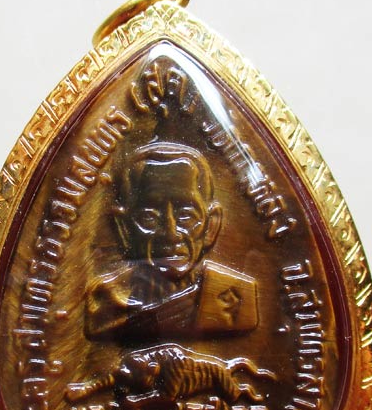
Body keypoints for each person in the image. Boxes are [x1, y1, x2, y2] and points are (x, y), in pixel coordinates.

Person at [85, 140, 258, 341]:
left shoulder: (235, 298)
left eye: (186, 216)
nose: (171, 234)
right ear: (124, 228)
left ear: (211, 225)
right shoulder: (105, 303)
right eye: (149, 218)